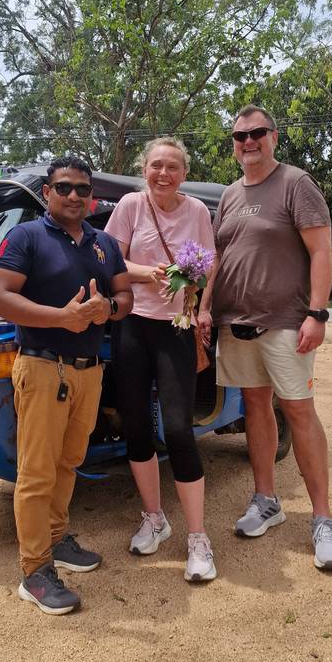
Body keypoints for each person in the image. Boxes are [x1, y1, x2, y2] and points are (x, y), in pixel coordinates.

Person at [199, 106, 332, 571]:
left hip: (286, 322)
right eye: (240, 135)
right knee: (254, 407)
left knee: (299, 410)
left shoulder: (296, 184)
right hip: (235, 322)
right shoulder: (228, 195)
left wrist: (317, 314)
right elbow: (218, 258)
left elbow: (320, 250)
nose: (248, 141)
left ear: (274, 137)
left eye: (257, 133)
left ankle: (323, 519)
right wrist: (204, 305)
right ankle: (266, 500)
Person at [0, 157, 133, 615]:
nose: (74, 196)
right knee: (37, 471)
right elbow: (0, 297)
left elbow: (126, 296)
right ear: (47, 192)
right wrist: (63, 318)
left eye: (82, 189)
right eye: (64, 187)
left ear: (92, 196)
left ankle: (55, 539)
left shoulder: (104, 243)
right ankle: (34, 570)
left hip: (89, 371)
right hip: (42, 366)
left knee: (70, 461)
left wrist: (106, 309)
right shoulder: (26, 237)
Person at [104, 137, 217, 583]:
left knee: (177, 428)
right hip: (133, 325)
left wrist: (193, 288)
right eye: (156, 166)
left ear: (183, 173)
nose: (163, 173)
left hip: (176, 327)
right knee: (134, 424)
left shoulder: (197, 213)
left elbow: (207, 265)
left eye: (172, 166)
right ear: (144, 169)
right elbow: (110, 260)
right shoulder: (131, 205)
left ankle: (197, 537)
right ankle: (155, 517)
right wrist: (147, 273)